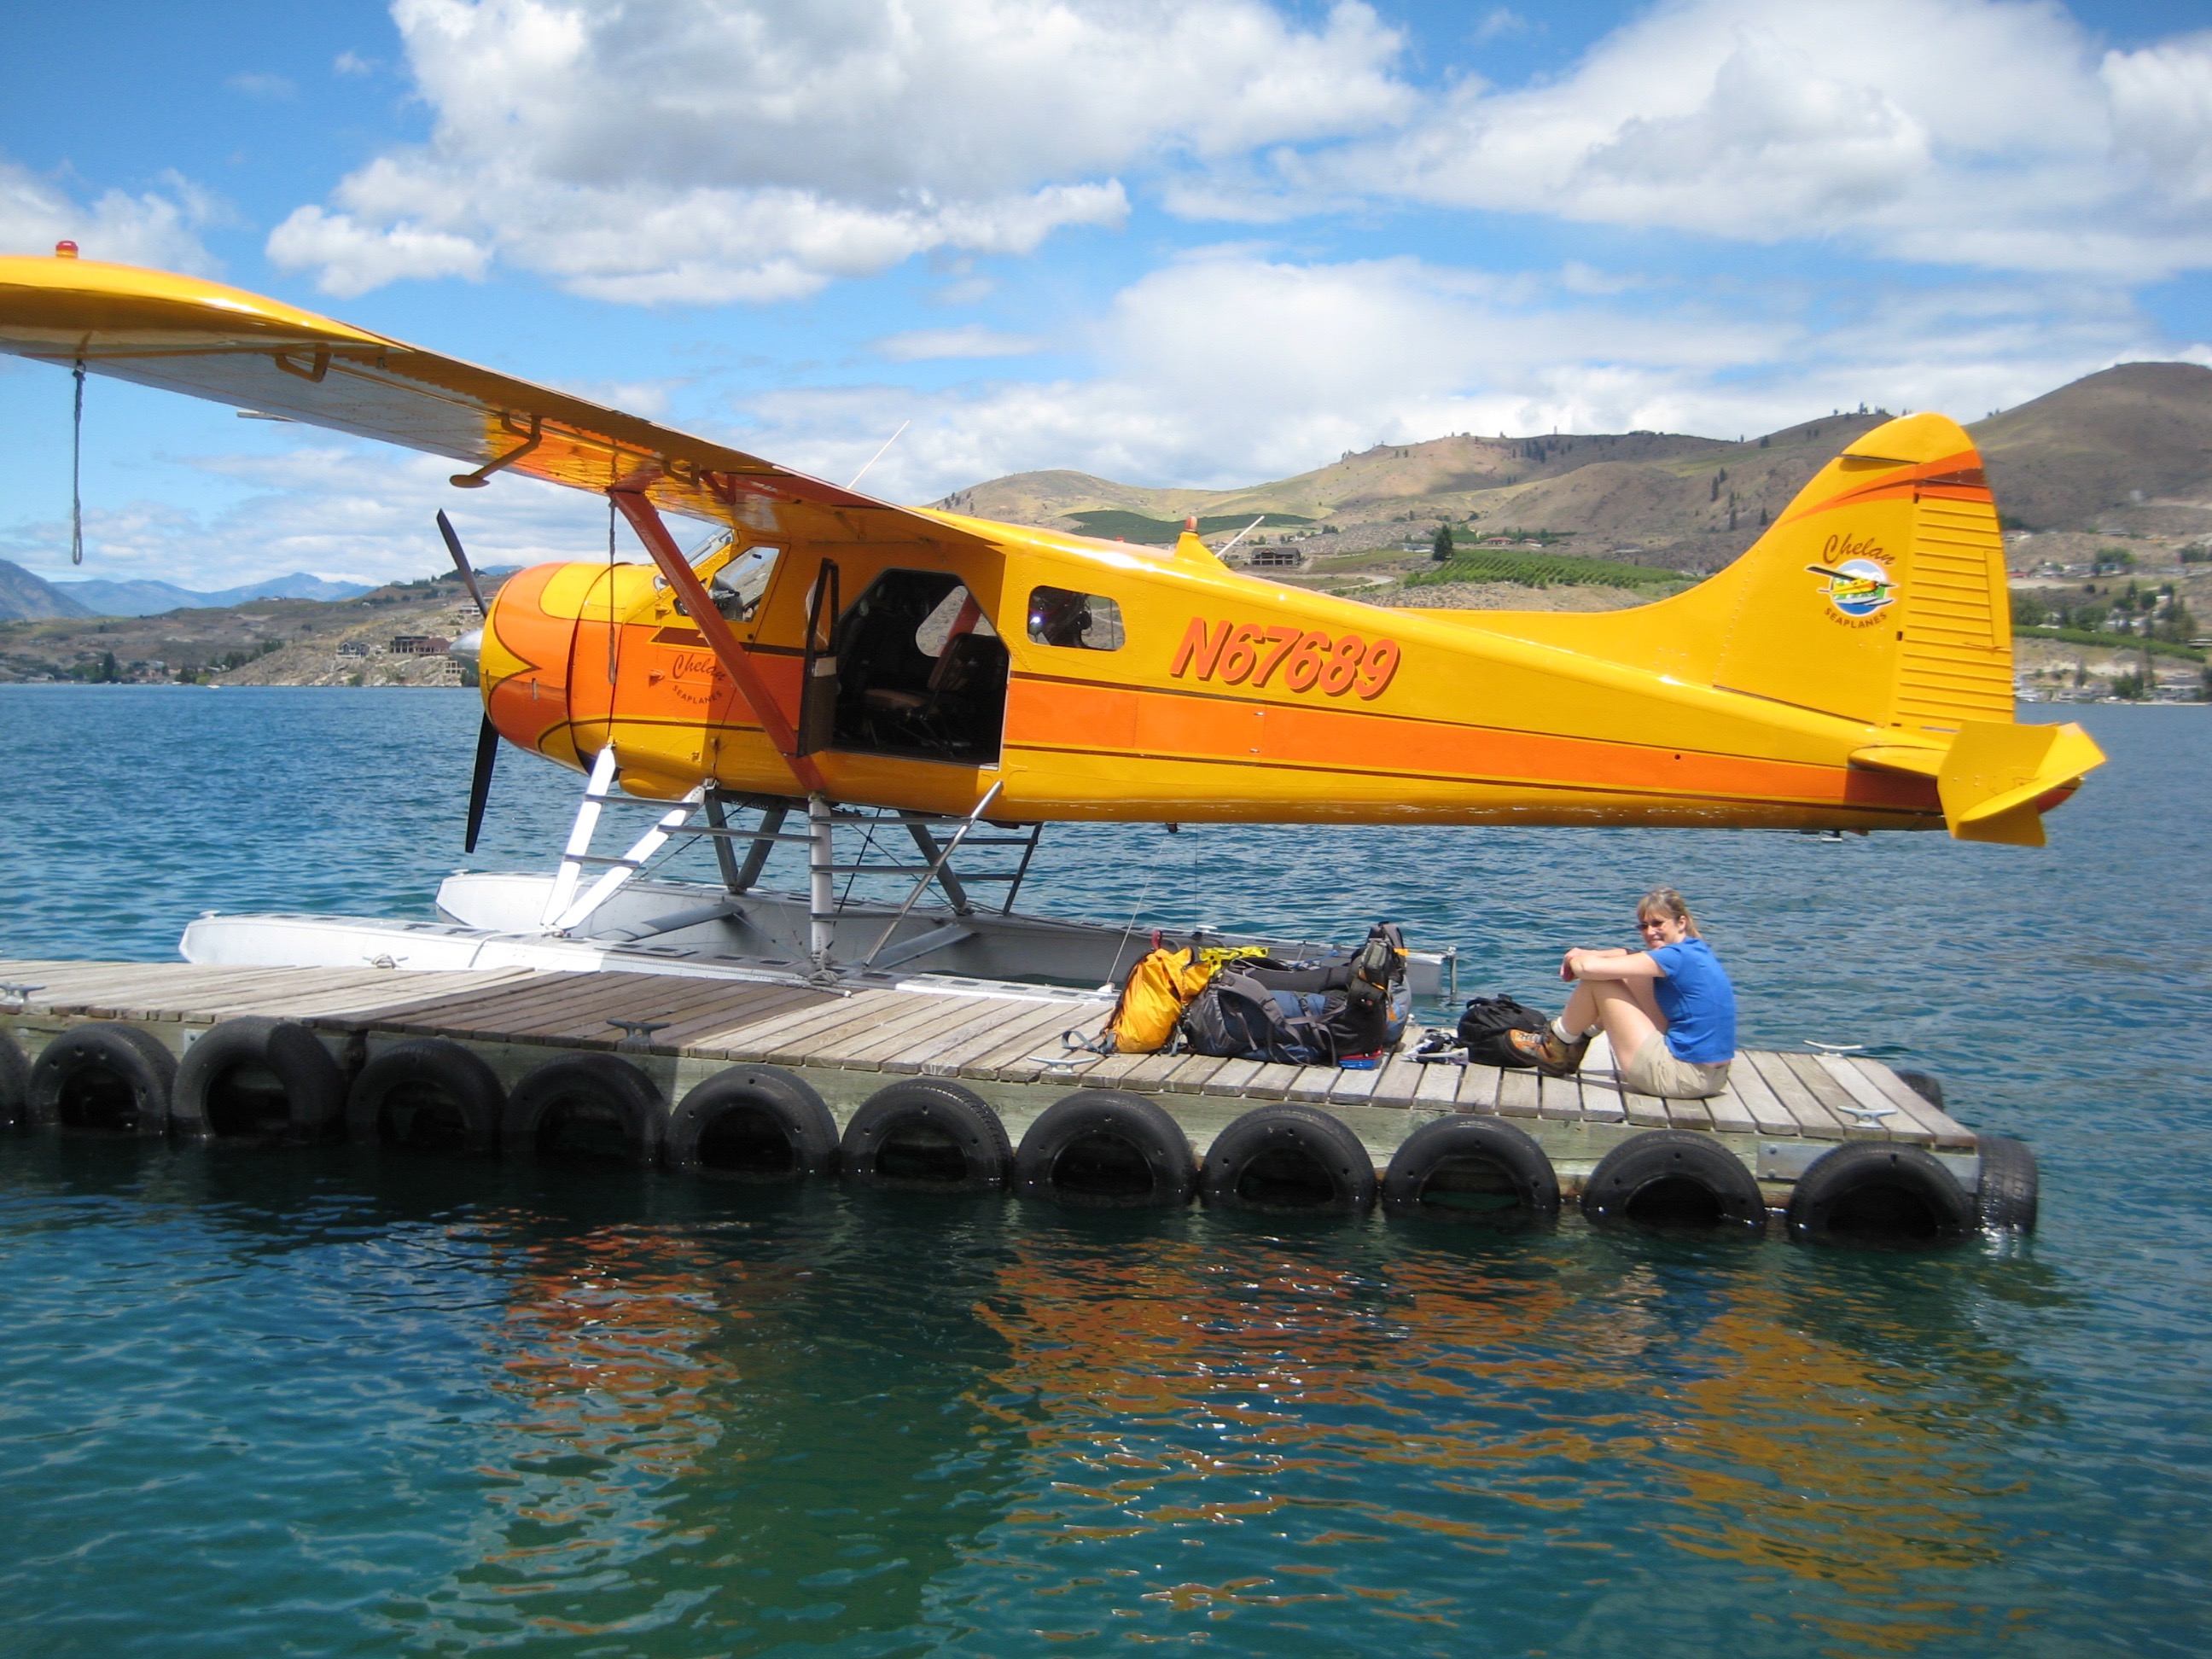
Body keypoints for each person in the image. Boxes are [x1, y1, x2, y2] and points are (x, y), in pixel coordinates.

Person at [1506, 887, 1735, 1097]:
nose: (1650, 932)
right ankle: (1576, 1043)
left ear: (1681, 922)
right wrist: (1592, 953)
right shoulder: (1695, 951)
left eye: (1658, 923)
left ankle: (1555, 1045)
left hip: (1678, 1077)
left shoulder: (1674, 957)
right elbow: (1630, 956)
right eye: (1643, 926)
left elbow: (1588, 969)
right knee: (1632, 975)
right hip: (1712, 1079)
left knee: (1599, 983)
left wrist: (1575, 960)